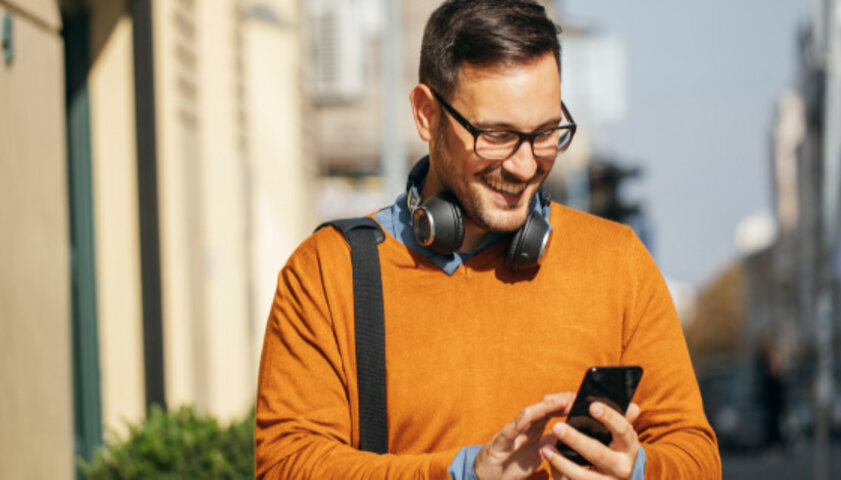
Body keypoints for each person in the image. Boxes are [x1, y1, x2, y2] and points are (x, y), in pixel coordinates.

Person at [255, 1, 721, 478]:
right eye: (496, 135)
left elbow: (698, 459)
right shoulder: (328, 274)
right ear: (426, 115)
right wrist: (462, 473)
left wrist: (636, 469)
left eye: (545, 133)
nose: (524, 166)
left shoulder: (617, 262)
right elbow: (285, 466)